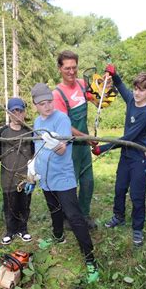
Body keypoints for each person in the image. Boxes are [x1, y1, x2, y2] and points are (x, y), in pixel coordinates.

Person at [30, 83, 99, 283]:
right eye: (42, 103)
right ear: (35, 104)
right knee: (54, 210)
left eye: (49, 102)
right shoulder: (36, 121)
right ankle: (58, 236)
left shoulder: (61, 119)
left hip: (62, 177)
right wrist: (32, 168)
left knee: (74, 216)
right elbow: (37, 148)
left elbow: (61, 150)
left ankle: (90, 259)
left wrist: (51, 141)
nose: (47, 106)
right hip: (45, 176)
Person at [92, 65, 146, 247]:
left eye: (142, 90)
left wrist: (102, 148)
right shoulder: (130, 101)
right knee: (120, 188)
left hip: (139, 157)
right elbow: (120, 85)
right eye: (136, 88)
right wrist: (114, 73)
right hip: (126, 156)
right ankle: (118, 217)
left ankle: (137, 228)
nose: (137, 93)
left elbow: (128, 139)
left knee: (137, 194)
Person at [52, 50, 97, 229]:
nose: (71, 72)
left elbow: (98, 99)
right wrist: (85, 137)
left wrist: (106, 87)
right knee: (69, 184)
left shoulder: (81, 84)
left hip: (84, 146)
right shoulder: (57, 94)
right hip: (69, 145)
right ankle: (67, 217)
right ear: (60, 69)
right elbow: (65, 126)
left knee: (88, 182)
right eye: (67, 68)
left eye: (74, 67)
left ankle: (83, 215)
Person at [0, 97, 35, 245]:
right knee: (9, 205)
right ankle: (10, 231)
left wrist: (32, 178)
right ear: (8, 113)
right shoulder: (2, 133)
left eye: (20, 111)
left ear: (24, 112)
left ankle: (23, 229)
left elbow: (34, 156)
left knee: (24, 204)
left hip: (25, 177)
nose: (17, 115)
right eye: (13, 111)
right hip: (7, 178)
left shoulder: (31, 132)